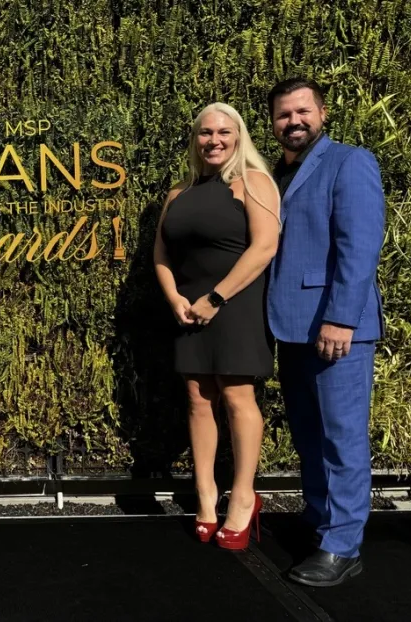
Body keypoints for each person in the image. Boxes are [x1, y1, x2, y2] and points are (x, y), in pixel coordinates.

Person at [267, 78, 385, 586]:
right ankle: (320, 522)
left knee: (342, 439)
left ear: (323, 113)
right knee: (309, 437)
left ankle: (343, 546)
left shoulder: (349, 161)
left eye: (302, 111)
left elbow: (359, 247)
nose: (294, 121)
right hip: (292, 329)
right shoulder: (277, 174)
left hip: (337, 328)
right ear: (272, 125)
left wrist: (342, 317)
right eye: (283, 115)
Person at [155, 103, 281, 550]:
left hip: (237, 304)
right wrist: (175, 299)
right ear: (195, 139)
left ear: (238, 135)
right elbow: (161, 256)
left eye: (224, 132)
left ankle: (244, 497)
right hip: (188, 308)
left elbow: (265, 248)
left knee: (235, 395)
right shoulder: (178, 193)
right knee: (196, 398)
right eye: (205, 133)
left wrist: (216, 298)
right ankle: (206, 495)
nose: (214, 140)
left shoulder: (254, 183)